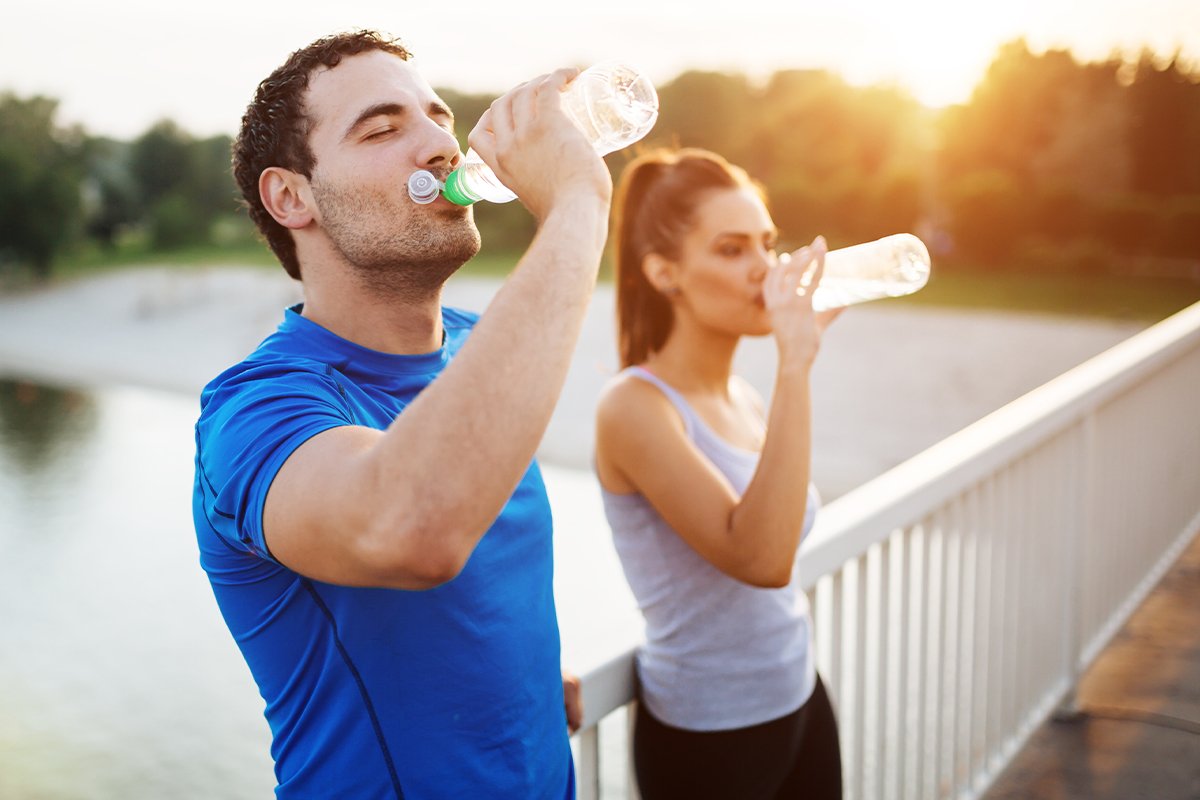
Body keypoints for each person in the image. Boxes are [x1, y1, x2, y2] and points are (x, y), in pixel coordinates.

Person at [191, 30, 612, 799]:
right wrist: (578, 202)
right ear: (291, 198)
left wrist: (520, 671)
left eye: (439, 117)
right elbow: (412, 528)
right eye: (382, 129)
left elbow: (476, 585)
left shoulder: (480, 349)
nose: (441, 146)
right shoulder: (252, 412)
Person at [593, 148, 844, 799]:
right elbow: (762, 558)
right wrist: (795, 364)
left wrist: (791, 370)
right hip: (711, 734)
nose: (766, 268)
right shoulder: (635, 408)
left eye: (767, 243)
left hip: (798, 693)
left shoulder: (743, 397)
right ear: (665, 273)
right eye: (732, 250)